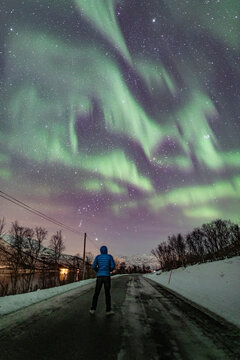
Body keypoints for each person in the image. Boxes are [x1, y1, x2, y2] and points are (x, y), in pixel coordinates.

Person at [89, 245, 115, 315]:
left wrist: (98, 270)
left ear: (100, 250)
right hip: (107, 276)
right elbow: (113, 266)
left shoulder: (98, 257)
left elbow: (94, 266)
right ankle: (108, 310)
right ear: (106, 250)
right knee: (107, 293)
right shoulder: (109, 257)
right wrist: (109, 270)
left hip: (99, 277)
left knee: (96, 293)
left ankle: (93, 309)